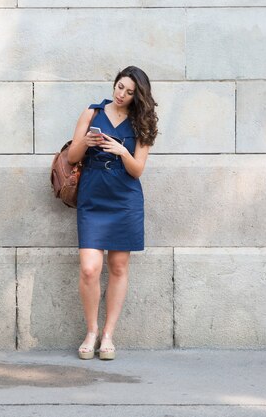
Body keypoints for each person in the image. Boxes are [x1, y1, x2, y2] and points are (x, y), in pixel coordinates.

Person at [67, 66, 158, 360]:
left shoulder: (141, 123)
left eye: (130, 92)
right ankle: (91, 331)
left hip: (124, 199)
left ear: (137, 96)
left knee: (118, 267)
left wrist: (122, 151)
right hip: (93, 196)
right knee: (90, 268)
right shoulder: (92, 113)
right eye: (120, 87)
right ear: (114, 83)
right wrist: (86, 142)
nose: (121, 95)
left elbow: (137, 170)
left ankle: (108, 335)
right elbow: (72, 157)